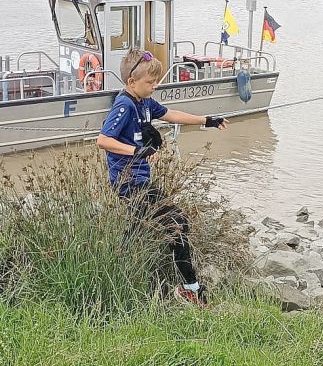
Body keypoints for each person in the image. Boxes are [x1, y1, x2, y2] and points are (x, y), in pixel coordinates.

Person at [96, 49, 228, 306]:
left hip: (141, 180)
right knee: (177, 224)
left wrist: (206, 120)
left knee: (135, 231)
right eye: (150, 82)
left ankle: (115, 274)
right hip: (128, 182)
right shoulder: (124, 104)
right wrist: (138, 151)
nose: (154, 86)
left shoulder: (145, 103)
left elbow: (170, 114)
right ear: (131, 82)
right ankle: (190, 290)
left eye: (156, 81)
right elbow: (103, 140)